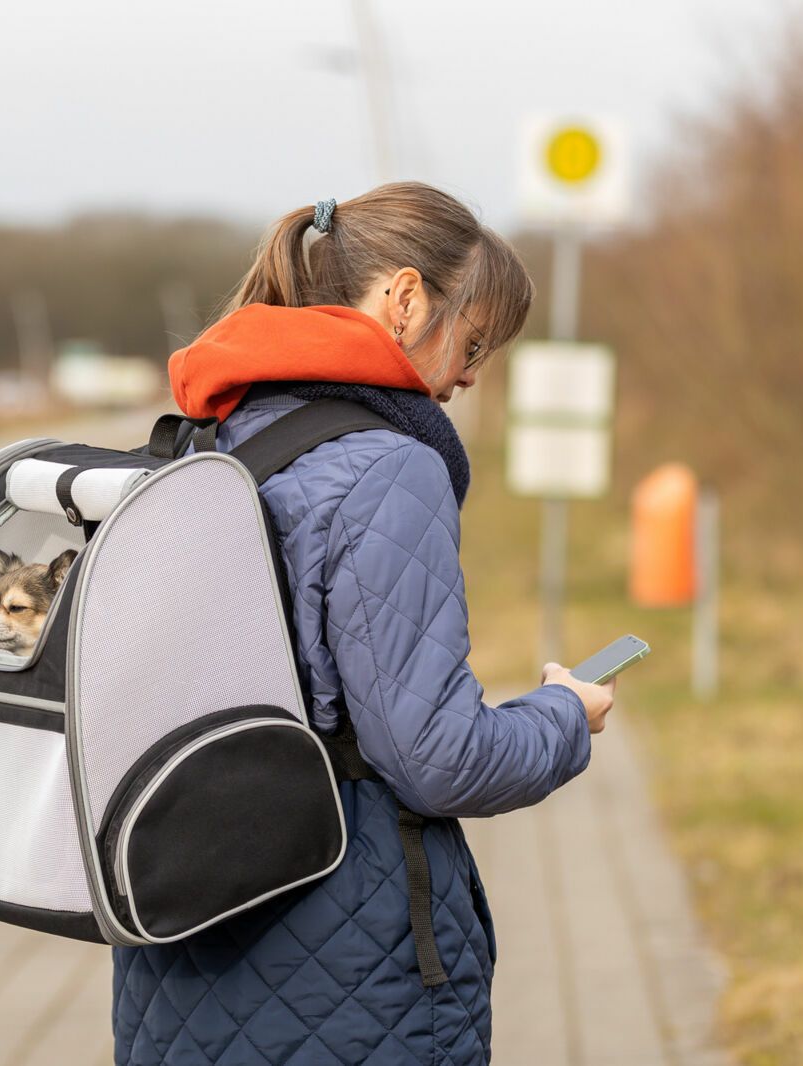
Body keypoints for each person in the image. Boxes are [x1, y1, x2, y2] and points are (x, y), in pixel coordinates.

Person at [112, 182, 616, 1065]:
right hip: (345, 958)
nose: (470, 375)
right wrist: (565, 716)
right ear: (406, 298)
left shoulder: (202, 441)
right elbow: (439, 759)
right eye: (474, 342)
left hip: (175, 937)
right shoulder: (388, 468)